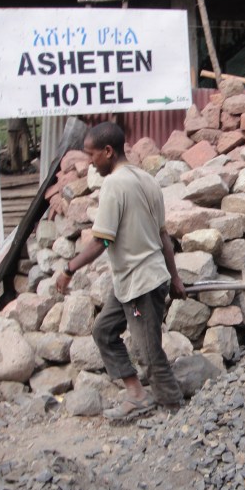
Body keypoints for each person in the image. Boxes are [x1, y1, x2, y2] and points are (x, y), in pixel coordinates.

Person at [56, 122, 186, 421]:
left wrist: (69, 268)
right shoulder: (147, 180)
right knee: (104, 330)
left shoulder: (115, 184)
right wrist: (175, 278)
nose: (90, 162)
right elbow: (163, 237)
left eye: (92, 156)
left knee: (148, 350)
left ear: (108, 151)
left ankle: (175, 410)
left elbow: (102, 239)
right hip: (134, 282)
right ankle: (137, 394)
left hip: (140, 286)